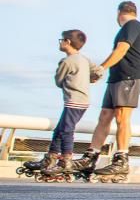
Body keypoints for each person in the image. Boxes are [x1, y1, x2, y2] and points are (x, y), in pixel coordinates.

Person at [75, 1, 140, 179]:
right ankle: (91, 156)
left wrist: (102, 68)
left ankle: (121, 159)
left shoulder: (133, 25)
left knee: (122, 117)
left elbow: (122, 49)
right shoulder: (127, 28)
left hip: (129, 77)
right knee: (105, 116)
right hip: (116, 78)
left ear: (119, 13)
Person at [25, 30, 100, 179]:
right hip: (83, 100)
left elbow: (59, 81)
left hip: (74, 100)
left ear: (68, 42)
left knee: (66, 130)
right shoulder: (84, 59)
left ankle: (66, 160)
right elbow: (98, 71)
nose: (60, 43)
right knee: (60, 129)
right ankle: (51, 158)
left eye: (61, 40)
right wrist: (91, 78)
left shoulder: (67, 61)